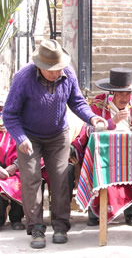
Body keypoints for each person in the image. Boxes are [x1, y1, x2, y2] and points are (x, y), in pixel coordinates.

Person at [2, 39, 107, 249]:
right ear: (41, 67)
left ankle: (60, 226)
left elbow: (76, 101)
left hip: (58, 135)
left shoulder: (67, 73)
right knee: (31, 182)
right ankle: (36, 229)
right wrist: (20, 138)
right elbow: (10, 114)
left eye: (60, 68)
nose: (58, 73)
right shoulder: (23, 78)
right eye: (53, 70)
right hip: (29, 137)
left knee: (60, 180)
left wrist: (91, 118)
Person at [71, 67, 132, 227]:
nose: (124, 97)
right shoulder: (98, 104)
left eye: (127, 93)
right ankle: (94, 212)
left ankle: (131, 212)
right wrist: (111, 122)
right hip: (102, 152)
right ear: (112, 93)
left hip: (128, 152)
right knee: (94, 163)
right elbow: (87, 129)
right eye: (120, 94)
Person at [0, 92, 25, 231]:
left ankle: (16, 218)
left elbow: (29, 150)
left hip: (16, 167)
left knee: (22, 179)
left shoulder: (20, 128)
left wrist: (15, 166)